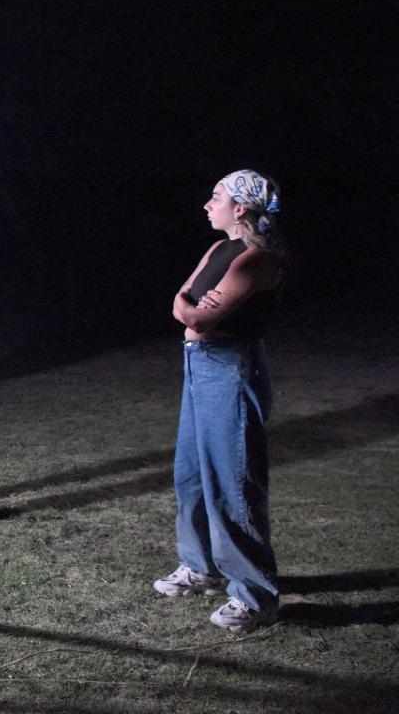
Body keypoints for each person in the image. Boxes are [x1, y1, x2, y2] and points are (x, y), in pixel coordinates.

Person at [154, 169, 286, 633]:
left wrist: (193, 309)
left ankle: (254, 594)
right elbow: (183, 303)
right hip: (199, 364)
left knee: (234, 480)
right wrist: (190, 309)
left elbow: (196, 316)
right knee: (189, 474)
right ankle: (201, 566)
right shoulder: (220, 249)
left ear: (241, 208)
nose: (208, 205)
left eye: (217, 198)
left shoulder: (256, 259)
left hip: (229, 368)